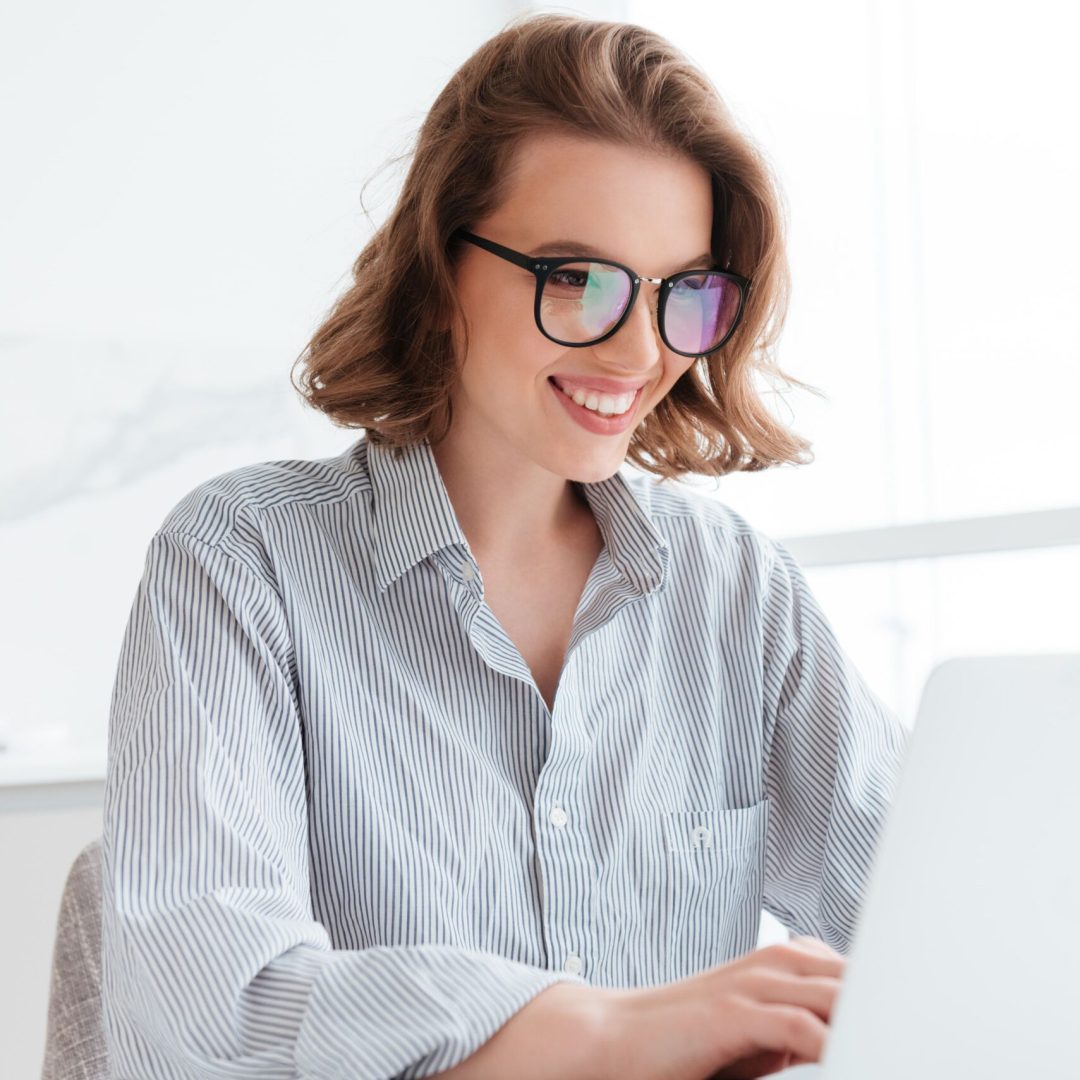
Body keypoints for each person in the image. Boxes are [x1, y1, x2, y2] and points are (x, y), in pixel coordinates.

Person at [100, 12, 910, 1080]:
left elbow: (930, 923)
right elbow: (208, 1011)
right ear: (442, 267)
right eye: (578, 279)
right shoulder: (244, 562)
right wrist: (605, 1034)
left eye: (683, 292)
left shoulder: (735, 590)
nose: (640, 348)